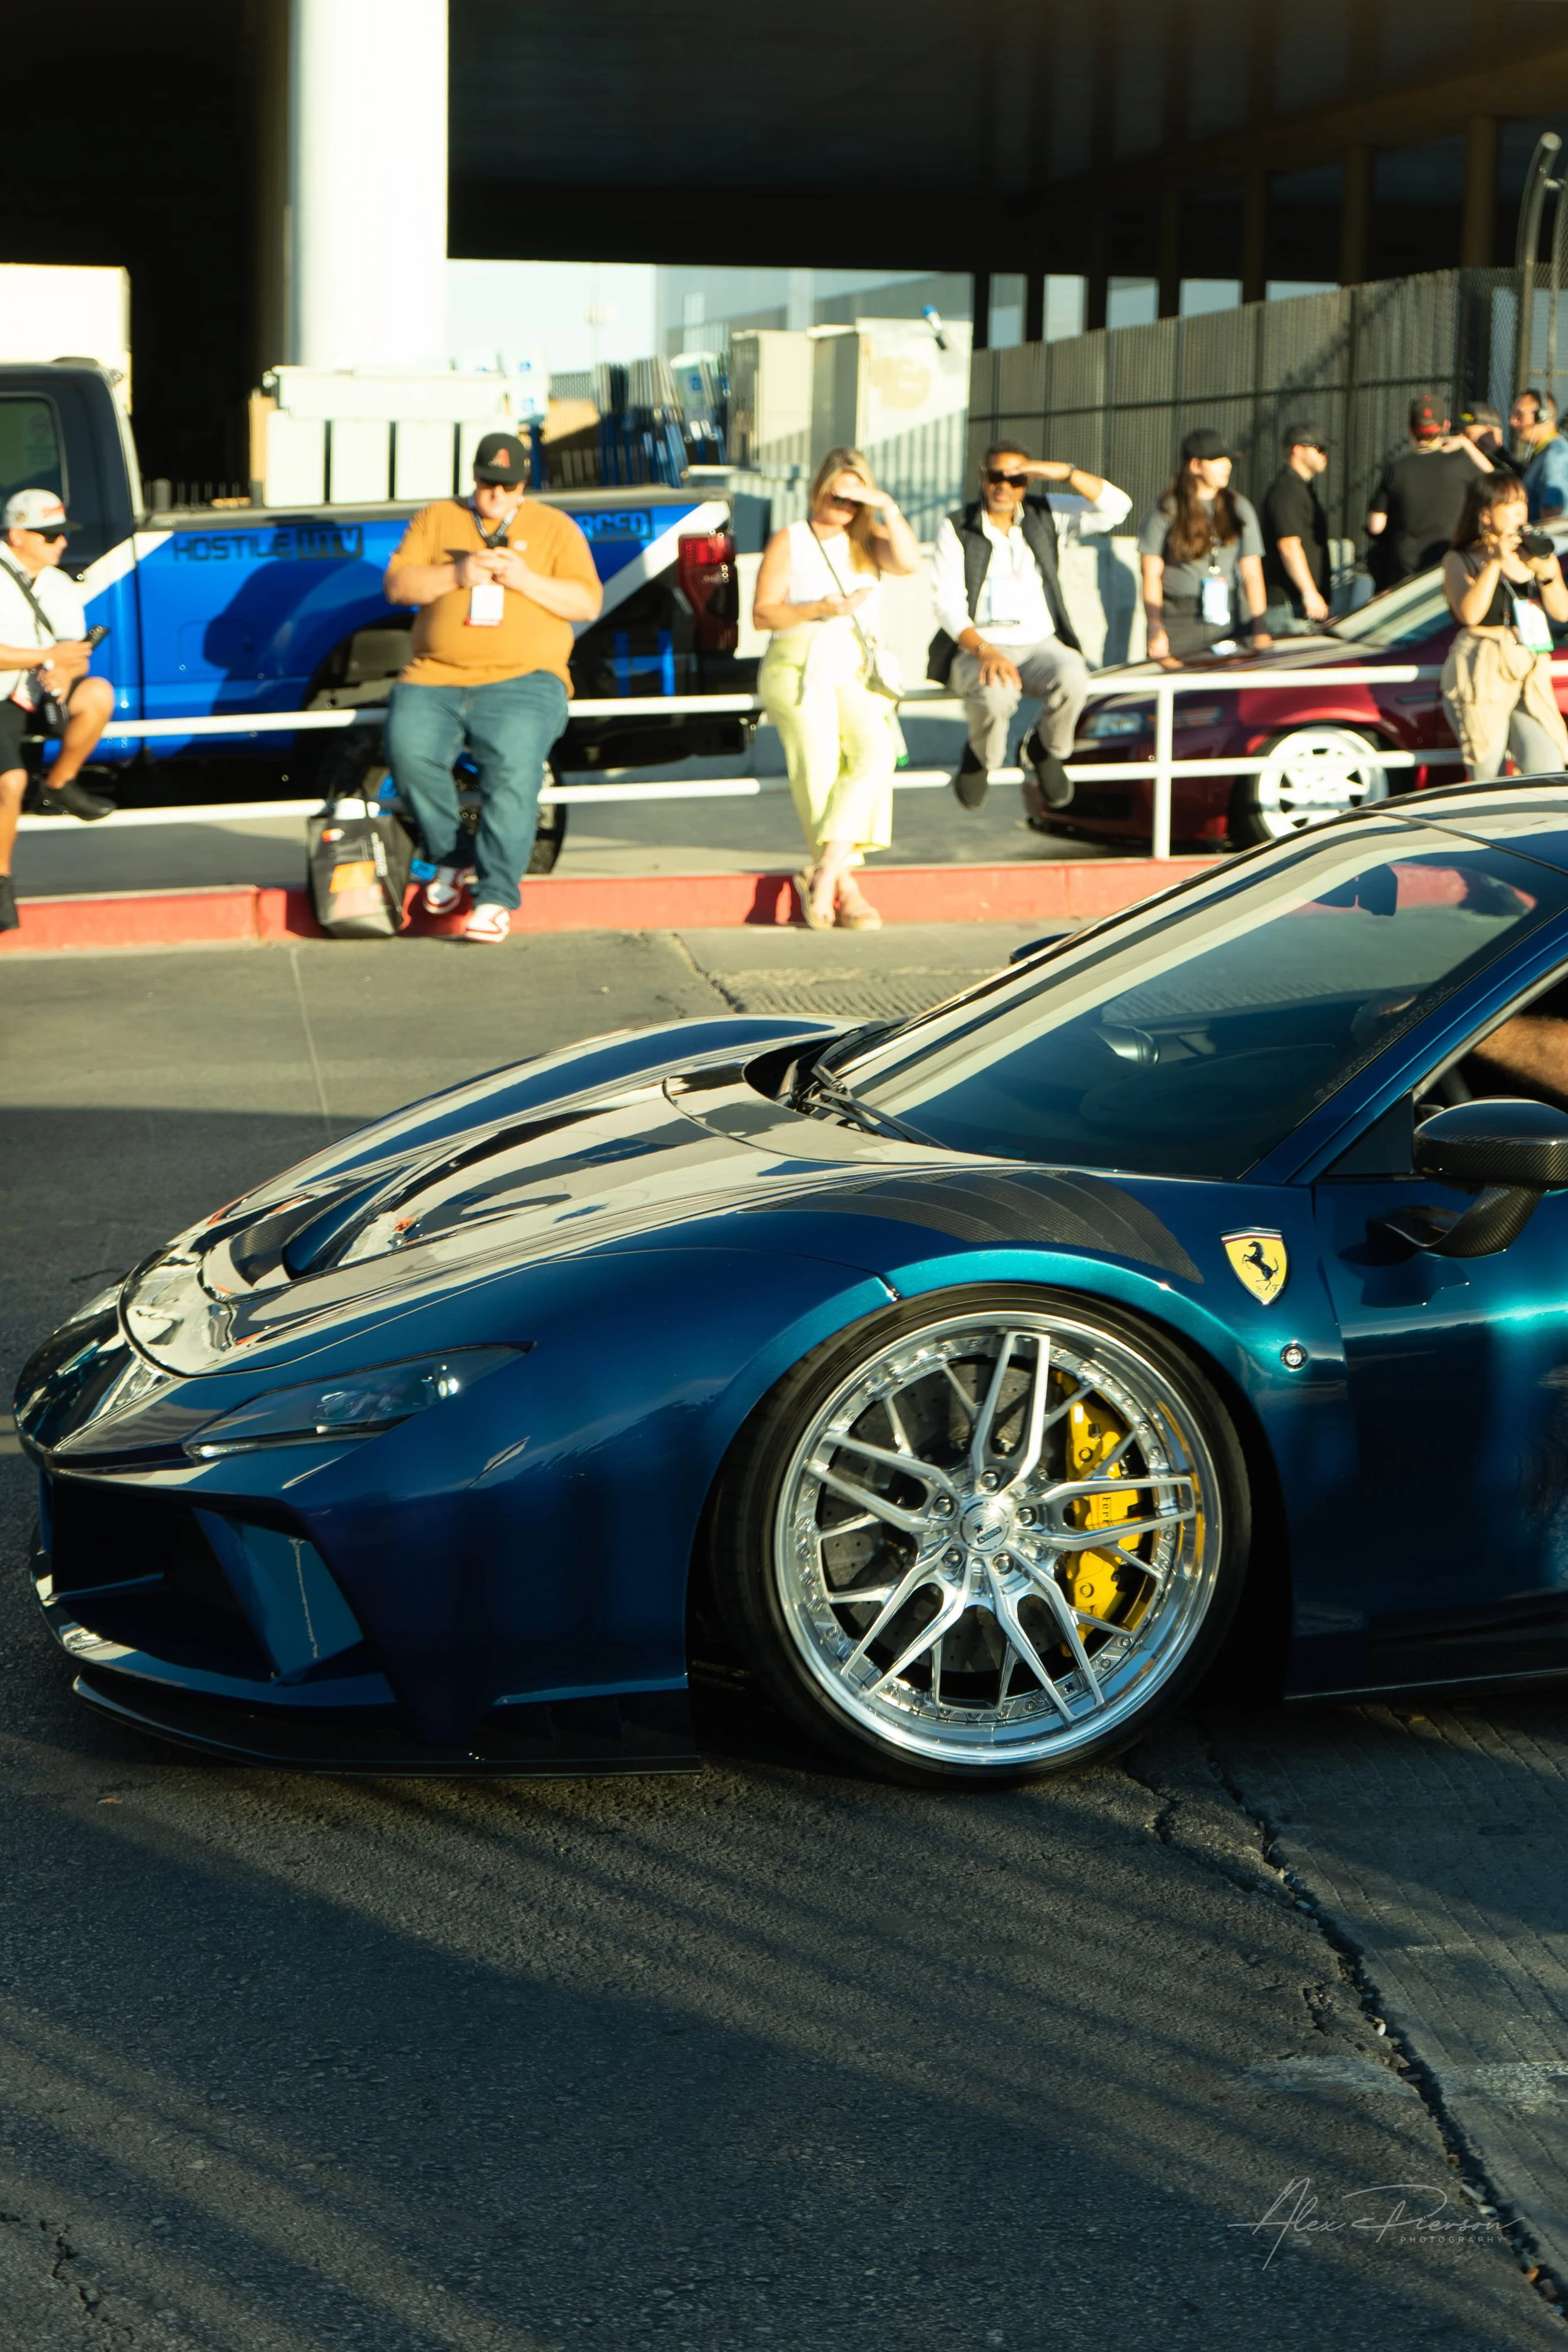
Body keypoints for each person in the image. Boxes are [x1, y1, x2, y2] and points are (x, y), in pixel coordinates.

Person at [383, 430, 602, 945]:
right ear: (474, 477)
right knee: (408, 752)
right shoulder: (436, 518)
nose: (496, 494)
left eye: (508, 485)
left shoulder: (555, 526)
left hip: (526, 679)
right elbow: (397, 586)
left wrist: (524, 579)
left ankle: (496, 897)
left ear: (524, 483)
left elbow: (586, 603)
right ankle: (452, 855)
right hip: (435, 674)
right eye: (487, 483)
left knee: (513, 772)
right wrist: (458, 573)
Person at [753, 446, 921, 930]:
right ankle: (845, 887)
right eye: (837, 495)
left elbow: (909, 563)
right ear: (818, 490)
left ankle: (824, 871)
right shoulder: (792, 539)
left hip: (855, 665)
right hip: (798, 660)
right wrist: (820, 608)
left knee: (876, 754)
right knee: (819, 767)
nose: (844, 507)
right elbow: (763, 613)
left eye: (854, 499)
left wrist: (885, 505)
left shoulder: (869, 541)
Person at [928, 439, 1130, 811]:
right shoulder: (958, 526)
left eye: (1016, 478)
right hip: (979, 645)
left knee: (1074, 676)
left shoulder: (1046, 513)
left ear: (1029, 481)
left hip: (1039, 642)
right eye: (996, 476)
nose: (1004, 486)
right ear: (982, 476)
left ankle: (1045, 750)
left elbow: (1118, 508)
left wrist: (1065, 472)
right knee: (995, 695)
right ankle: (981, 757)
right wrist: (984, 650)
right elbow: (946, 603)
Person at [0, 488, 115, 936]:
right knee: (9, 783)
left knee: (99, 693)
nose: (62, 543)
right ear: (17, 535)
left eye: (63, 534)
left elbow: (74, 656)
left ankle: (58, 787)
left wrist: (65, 675)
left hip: (38, 693)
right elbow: (53, 651)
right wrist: (49, 657)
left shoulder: (59, 583)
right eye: (50, 535)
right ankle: (1, 883)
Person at [1440, 471, 1568, 781]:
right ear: (1486, 515)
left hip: (1528, 667)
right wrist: (1495, 562)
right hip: (1482, 667)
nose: (1520, 512)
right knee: (1487, 768)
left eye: (1523, 503)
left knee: (1548, 767)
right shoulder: (1460, 559)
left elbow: (1562, 612)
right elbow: (1469, 614)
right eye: (1509, 505)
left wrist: (1547, 574)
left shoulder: (1535, 554)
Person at [1138, 430, 1269, 664]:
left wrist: (1260, 628)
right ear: (1196, 465)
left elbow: (1252, 572)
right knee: (1180, 684)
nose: (1227, 465)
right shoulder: (1167, 509)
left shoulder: (1238, 506)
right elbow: (1150, 572)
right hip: (1181, 619)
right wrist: (1155, 627)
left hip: (1232, 617)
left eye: (1228, 459)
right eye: (1217, 460)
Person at [1365, 395, 1490, 588]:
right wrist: (1466, 444)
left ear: (1410, 429)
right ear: (1446, 426)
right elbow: (1496, 481)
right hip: (1452, 568)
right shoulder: (1461, 465)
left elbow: (1376, 525)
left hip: (1405, 573)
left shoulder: (1397, 469)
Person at [1260, 422, 1332, 637]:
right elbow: (1289, 545)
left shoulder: (1302, 490)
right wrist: (1309, 593)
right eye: (1319, 449)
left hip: (1299, 606)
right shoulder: (1287, 491)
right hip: (1289, 607)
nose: (1325, 455)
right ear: (1298, 450)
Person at [1510, 389, 1568, 524]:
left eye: (1519, 415)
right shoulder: (1546, 453)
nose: (1513, 421)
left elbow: (1552, 514)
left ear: (1542, 416)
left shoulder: (1554, 456)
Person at [1458, 400, 1520, 477]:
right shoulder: (1463, 461)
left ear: (1489, 430)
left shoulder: (1511, 467)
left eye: (1467, 433)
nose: (1461, 437)